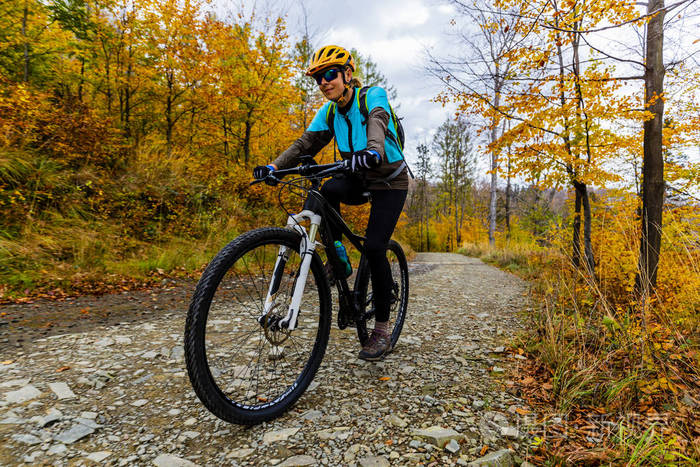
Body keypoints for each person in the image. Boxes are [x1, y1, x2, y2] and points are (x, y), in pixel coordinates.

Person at [253, 45, 408, 361]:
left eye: (330, 74)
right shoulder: (328, 112)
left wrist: (373, 150)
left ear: (347, 75)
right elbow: (305, 144)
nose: (324, 82)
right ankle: (339, 259)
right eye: (318, 79)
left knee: (376, 247)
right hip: (358, 174)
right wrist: (273, 167)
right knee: (324, 193)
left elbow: (377, 121)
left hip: (390, 179)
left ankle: (381, 330)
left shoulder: (372, 96)